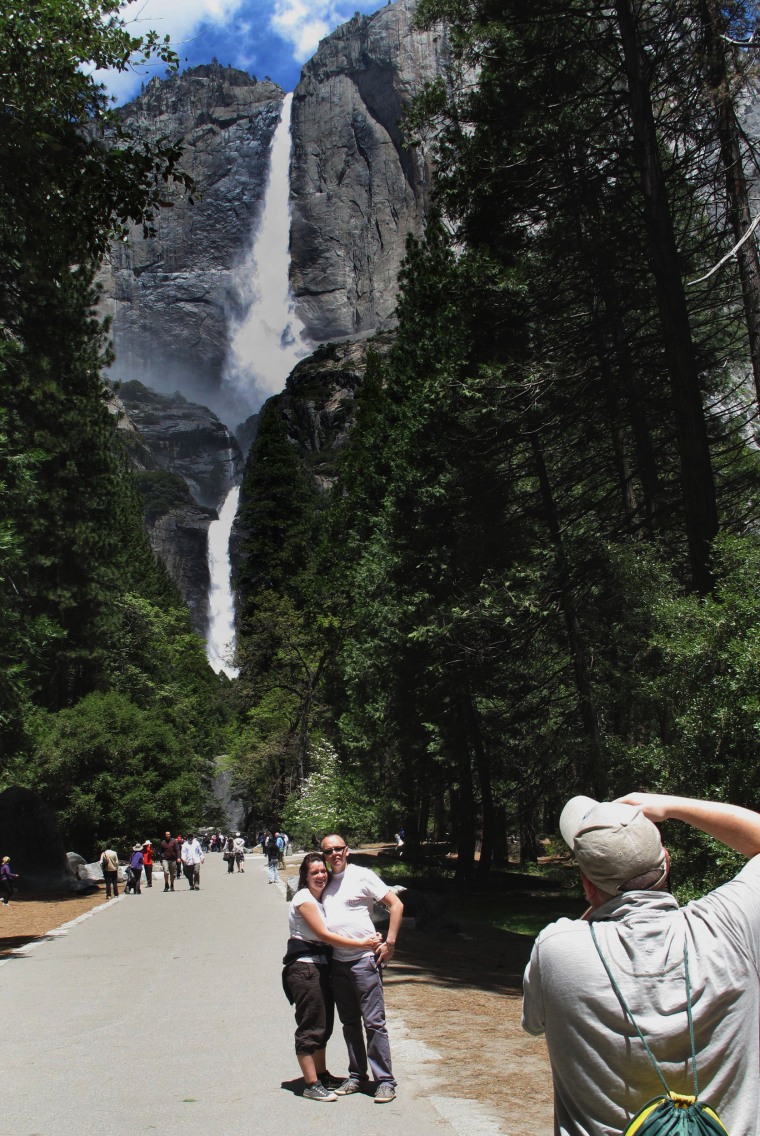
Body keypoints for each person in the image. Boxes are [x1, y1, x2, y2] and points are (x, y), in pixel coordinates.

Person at [522, 793, 760, 1136]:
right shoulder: (729, 926)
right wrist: (670, 807)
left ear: (588, 886)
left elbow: (533, 1024)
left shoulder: (556, 949)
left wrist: (596, 900)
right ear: (666, 860)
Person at [283, 852, 382, 1102]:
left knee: (324, 1024)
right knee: (311, 1025)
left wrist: (371, 935)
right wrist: (362, 943)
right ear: (305, 876)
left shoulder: (322, 898)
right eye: (314, 872)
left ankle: (322, 1073)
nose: (320, 875)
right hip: (305, 969)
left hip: (321, 967)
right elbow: (325, 935)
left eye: (322, 871)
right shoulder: (305, 898)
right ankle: (311, 1083)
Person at [319, 834, 403, 1103]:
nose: (335, 854)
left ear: (348, 850)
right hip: (338, 962)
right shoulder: (324, 881)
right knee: (349, 1022)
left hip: (364, 961)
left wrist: (389, 942)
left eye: (339, 849)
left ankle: (385, 1080)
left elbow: (396, 904)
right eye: (329, 851)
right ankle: (357, 1075)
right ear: (324, 855)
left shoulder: (362, 875)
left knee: (374, 1022)